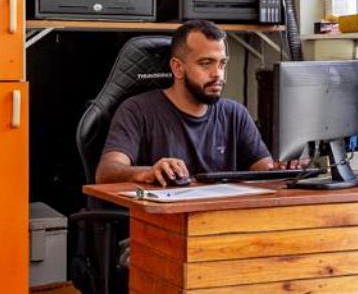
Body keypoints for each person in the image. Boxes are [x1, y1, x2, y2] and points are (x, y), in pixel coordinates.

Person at [95, 19, 279, 186]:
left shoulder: (235, 113)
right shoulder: (137, 110)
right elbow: (106, 172)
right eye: (206, 63)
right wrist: (147, 172)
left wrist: (289, 169)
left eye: (222, 64)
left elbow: (264, 169)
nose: (218, 74)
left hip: (219, 216)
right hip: (162, 216)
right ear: (178, 68)